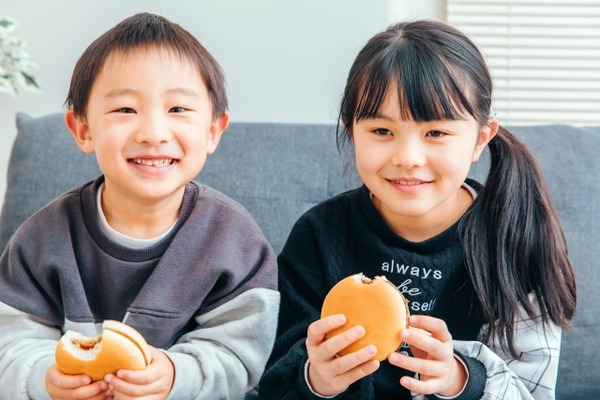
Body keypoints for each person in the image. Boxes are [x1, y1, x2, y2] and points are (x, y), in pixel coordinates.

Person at [258, 19, 576, 400]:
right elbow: (272, 380)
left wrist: (462, 379)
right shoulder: (319, 235)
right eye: (381, 131)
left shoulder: (517, 240)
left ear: (480, 138)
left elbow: (533, 393)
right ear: (351, 130)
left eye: (436, 133)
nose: (408, 158)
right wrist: (317, 380)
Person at [0, 12, 279, 400]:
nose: (152, 133)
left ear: (213, 130)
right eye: (125, 110)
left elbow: (240, 357)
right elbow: (9, 343)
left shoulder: (235, 241)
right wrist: (43, 379)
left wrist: (174, 376)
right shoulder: (41, 239)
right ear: (83, 130)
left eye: (178, 109)